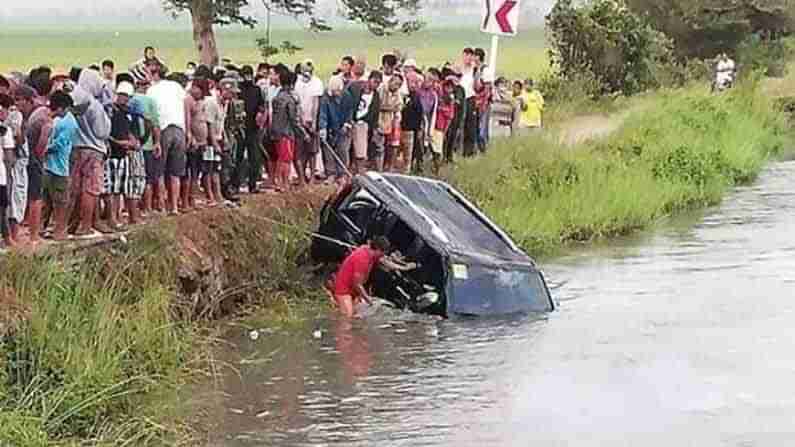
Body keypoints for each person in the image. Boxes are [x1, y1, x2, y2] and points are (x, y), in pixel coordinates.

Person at [69, 69, 112, 238]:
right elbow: (102, 132)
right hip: (93, 150)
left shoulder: (74, 100)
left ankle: (72, 224)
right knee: (91, 190)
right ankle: (85, 226)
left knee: (76, 188)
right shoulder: (94, 105)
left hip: (76, 148)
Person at [332, 236, 417, 318]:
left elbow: (385, 262)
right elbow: (357, 284)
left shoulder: (370, 252)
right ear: (378, 249)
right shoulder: (362, 259)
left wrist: (405, 267)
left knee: (355, 315)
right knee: (347, 318)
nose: (384, 255)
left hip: (353, 290)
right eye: (383, 252)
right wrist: (369, 301)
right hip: (343, 289)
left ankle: (338, 307)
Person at [146, 60, 187, 216]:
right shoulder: (176, 87)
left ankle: (162, 205)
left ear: (154, 73)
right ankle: (175, 207)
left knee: (160, 170)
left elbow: (151, 115)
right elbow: (184, 108)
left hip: (163, 129)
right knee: (175, 172)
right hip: (179, 129)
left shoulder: (152, 90)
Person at [43, 91, 78, 241]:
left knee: (60, 202)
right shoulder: (61, 119)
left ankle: (59, 230)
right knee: (53, 201)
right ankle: (54, 229)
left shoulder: (69, 123)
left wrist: (44, 148)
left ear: (63, 108)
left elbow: (59, 144)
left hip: (59, 167)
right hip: (53, 167)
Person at [270, 68, 309, 192]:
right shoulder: (289, 99)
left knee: (281, 158)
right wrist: (304, 133)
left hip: (276, 131)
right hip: (286, 132)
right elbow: (294, 120)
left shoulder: (277, 97)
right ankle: (284, 184)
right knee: (286, 159)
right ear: (292, 84)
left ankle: (280, 182)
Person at [131, 75, 162, 216]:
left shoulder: (130, 100)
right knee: (148, 178)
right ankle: (147, 208)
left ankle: (133, 209)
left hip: (133, 146)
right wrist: (157, 142)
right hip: (147, 145)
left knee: (134, 178)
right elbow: (155, 125)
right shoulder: (151, 101)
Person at [236, 65, 265, 194]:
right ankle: (236, 183)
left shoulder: (256, 89)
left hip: (253, 128)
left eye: (249, 74)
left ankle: (252, 184)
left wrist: (260, 113)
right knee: (238, 157)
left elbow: (261, 105)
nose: (247, 77)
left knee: (255, 157)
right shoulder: (238, 90)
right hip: (240, 129)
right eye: (245, 75)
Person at [294, 60, 324, 186]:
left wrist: (313, 122)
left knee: (312, 151)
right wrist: (301, 120)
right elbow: (297, 102)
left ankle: (312, 177)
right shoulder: (297, 82)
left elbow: (316, 103)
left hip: (312, 121)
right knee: (299, 152)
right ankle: (301, 178)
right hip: (300, 121)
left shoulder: (317, 82)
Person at [184, 77, 210, 211]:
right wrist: (191, 136)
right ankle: (189, 199)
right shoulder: (188, 100)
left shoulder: (201, 101)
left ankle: (192, 197)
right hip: (193, 142)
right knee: (191, 172)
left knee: (197, 171)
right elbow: (188, 120)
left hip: (201, 142)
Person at [318, 75, 346, 183]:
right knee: (328, 151)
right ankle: (330, 174)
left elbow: (349, 112)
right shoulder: (326, 97)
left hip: (342, 127)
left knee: (342, 150)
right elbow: (323, 114)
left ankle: (342, 174)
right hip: (330, 127)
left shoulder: (346, 97)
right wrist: (323, 128)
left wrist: (346, 123)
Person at [377, 73, 403, 172]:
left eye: (398, 84)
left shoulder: (397, 94)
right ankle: (379, 169)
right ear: (390, 81)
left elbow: (398, 107)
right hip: (379, 122)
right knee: (378, 147)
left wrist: (390, 109)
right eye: (394, 82)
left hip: (390, 122)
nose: (395, 86)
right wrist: (390, 108)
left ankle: (388, 167)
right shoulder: (381, 89)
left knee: (392, 145)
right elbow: (378, 105)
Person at [398, 72, 423, 174]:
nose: (413, 84)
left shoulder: (417, 97)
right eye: (410, 81)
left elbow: (419, 114)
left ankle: (406, 173)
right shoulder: (401, 94)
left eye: (415, 82)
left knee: (408, 155)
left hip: (411, 130)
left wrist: (419, 129)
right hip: (398, 128)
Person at [0, 94, 14, 247]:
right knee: (2, 209)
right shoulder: (5, 130)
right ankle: (7, 238)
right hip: (1, 176)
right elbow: (9, 158)